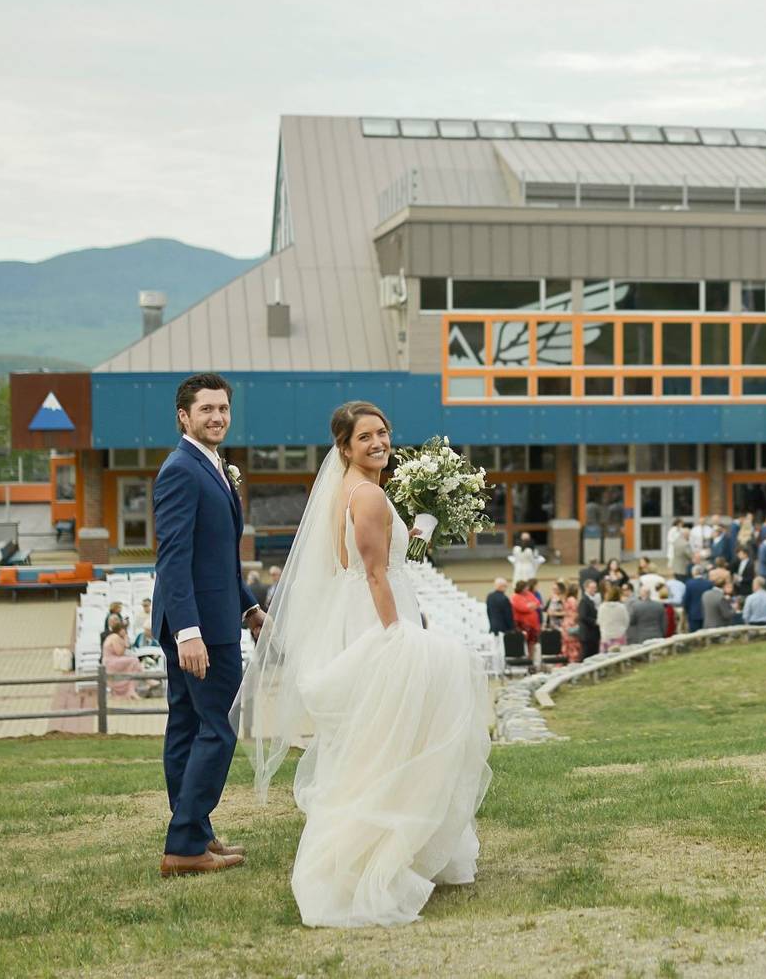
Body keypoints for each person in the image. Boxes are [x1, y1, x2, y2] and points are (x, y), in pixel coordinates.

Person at [233, 399, 491, 927]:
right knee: (395, 740)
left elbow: (388, 560)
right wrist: (397, 638)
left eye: (383, 432)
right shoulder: (369, 494)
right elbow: (376, 574)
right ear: (345, 447)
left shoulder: (349, 491)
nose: (378, 442)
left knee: (375, 743)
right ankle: (375, 855)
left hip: (361, 614)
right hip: (379, 619)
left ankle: (390, 848)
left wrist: (421, 526)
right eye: (365, 436)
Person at [152, 373, 265, 877]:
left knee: (187, 728)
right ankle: (184, 844)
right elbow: (174, 559)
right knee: (219, 728)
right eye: (206, 409)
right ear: (184, 416)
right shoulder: (181, 469)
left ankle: (195, 835)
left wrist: (249, 609)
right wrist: (188, 632)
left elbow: (217, 559)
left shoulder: (210, 465)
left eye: (223, 408)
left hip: (215, 617)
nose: (217, 416)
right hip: (199, 629)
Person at [103, 629, 144, 699]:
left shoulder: (115, 637)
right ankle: (131, 690)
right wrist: (125, 642)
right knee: (134, 661)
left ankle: (131, 690)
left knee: (134, 663)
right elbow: (120, 652)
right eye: (123, 630)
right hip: (111, 662)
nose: (124, 632)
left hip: (112, 661)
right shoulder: (115, 637)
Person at [510, 579, 541, 650]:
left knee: (533, 642)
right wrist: (531, 606)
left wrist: (530, 605)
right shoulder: (515, 597)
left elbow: (537, 603)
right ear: (521, 588)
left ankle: (531, 659)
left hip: (533, 625)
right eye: (525, 587)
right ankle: (525, 658)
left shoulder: (529, 594)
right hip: (523, 624)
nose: (527, 589)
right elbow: (523, 608)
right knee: (524, 642)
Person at [598, 583, 630, 650]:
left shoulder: (602, 607)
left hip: (606, 636)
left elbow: (599, 621)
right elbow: (626, 621)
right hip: (619, 635)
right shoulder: (622, 607)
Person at [684, 565, 714, 631]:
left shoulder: (689, 584)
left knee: (694, 636)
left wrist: (687, 611)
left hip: (693, 613)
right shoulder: (709, 583)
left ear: (693, 573)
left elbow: (686, 600)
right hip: (706, 613)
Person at [577, 579, 602, 658]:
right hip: (587, 634)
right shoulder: (584, 601)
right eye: (592, 588)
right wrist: (595, 622)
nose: (594, 590)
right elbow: (583, 616)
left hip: (593, 634)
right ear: (586, 588)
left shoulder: (593, 600)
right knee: (586, 655)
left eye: (595, 588)